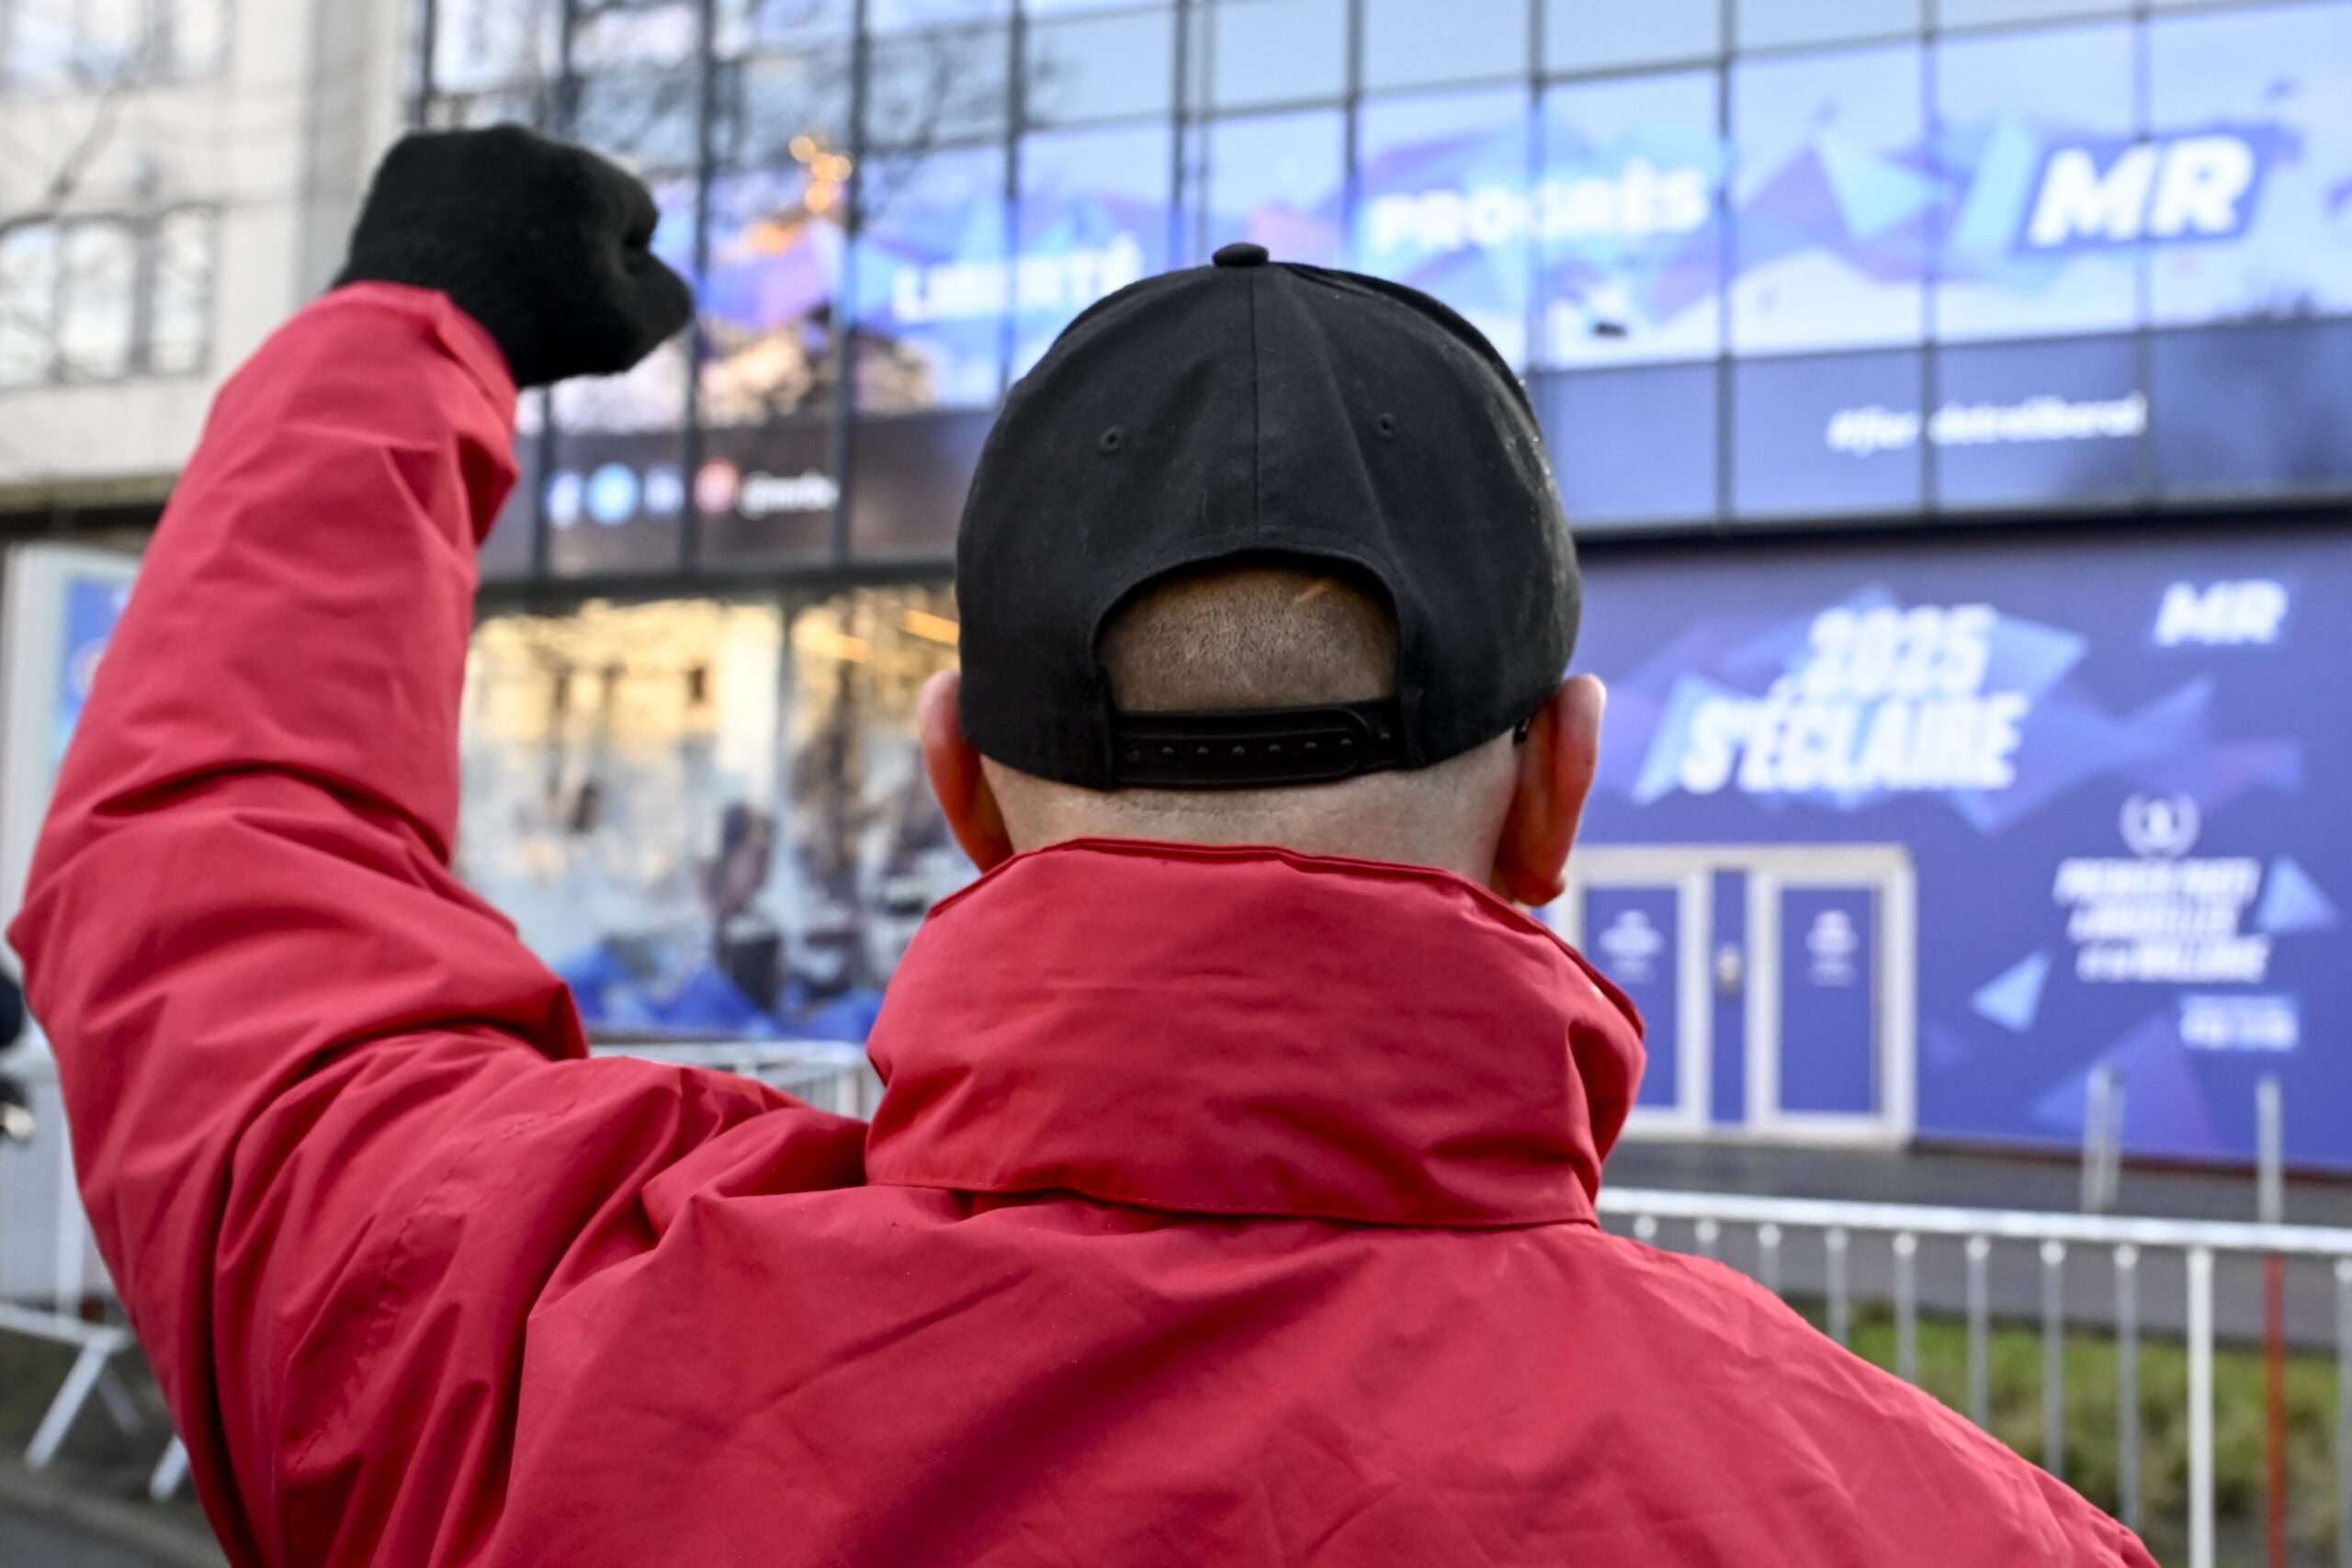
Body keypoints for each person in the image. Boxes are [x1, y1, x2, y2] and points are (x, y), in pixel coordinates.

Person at [8, 127, 2152, 1567]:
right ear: (1552, 789)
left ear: (956, 783)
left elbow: (216, 872)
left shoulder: (519, 1346)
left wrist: (411, 328)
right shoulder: (1931, 1523)